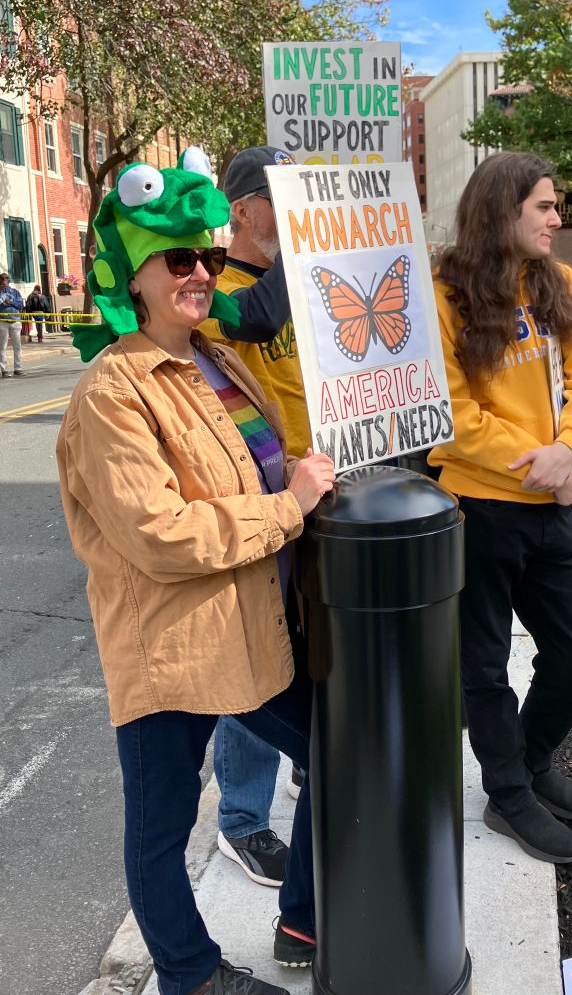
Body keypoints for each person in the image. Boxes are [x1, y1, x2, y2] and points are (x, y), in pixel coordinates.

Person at [57, 149, 334, 995]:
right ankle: (187, 973)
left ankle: (302, 917)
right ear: (131, 277)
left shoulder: (217, 360)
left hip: (249, 631)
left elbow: (260, 467)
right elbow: (161, 534)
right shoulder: (113, 390)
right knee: (161, 826)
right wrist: (290, 505)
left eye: (207, 258)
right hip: (170, 647)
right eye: (176, 260)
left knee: (338, 747)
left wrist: (312, 475)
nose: (198, 274)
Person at [428, 152, 572, 864]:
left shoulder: (560, 285)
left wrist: (566, 449)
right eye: (542, 205)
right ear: (500, 209)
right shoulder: (444, 295)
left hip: (547, 501)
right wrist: (541, 463)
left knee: (571, 656)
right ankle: (507, 795)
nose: (555, 217)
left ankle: (532, 764)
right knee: (482, 667)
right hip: (478, 507)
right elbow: (449, 413)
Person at [200, 147, 310, 892]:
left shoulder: (289, 280)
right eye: (283, 197)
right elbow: (246, 334)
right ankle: (242, 819)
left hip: (320, 489)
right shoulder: (212, 290)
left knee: (300, 643)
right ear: (241, 208)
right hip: (266, 499)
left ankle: (305, 761)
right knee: (257, 659)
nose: (296, 210)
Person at [0, 272, 25, 377]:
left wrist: (11, 303)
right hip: (2, 321)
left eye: (6, 279)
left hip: (15, 321)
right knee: (2, 347)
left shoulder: (15, 292)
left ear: (9, 281)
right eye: (2, 279)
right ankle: (4, 370)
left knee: (17, 346)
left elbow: (20, 305)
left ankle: (17, 368)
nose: (4, 281)